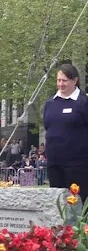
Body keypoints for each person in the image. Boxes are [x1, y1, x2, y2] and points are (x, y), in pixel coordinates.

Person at [43, 62, 88, 201]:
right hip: (54, 163)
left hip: (77, 165)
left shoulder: (83, 103)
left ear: (75, 81)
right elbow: (47, 126)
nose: (61, 84)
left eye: (65, 81)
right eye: (58, 80)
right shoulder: (50, 103)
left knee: (78, 203)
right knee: (57, 204)